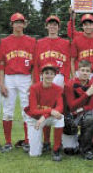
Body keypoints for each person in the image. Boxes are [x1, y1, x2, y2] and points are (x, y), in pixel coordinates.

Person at [0, 12, 36, 152]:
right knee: (7, 110)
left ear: (24, 24)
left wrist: (33, 81)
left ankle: (27, 140)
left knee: (26, 110)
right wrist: (1, 83)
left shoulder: (32, 41)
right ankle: (8, 142)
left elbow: (34, 65)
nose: (19, 25)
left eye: (21, 22)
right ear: (12, 24)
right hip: (9, 78)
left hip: (25, 78)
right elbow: (1, 64)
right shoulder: (5, 41)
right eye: (16, 22)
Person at [33, 15, 70, 152]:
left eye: (55, 24)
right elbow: (36, 64)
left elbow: (66, 63)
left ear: (59, 27)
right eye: (50, 24)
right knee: (45, 107)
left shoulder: (65, 43)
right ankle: (47, 141)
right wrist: (37, 81)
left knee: (58, 108)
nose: (53, 27)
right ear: (46, 26)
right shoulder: (40, 42)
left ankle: (57, 142)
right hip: (44, 77)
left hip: (59, 77)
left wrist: (65, 80)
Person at [24, 62, 64, 161]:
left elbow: (60, 107)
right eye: (46, 73)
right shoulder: (34, 88)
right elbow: (33, 110)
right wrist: (50, 110)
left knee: (60, 118)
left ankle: (56, 149)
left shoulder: (58, 89)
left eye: (51, 73)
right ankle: (38, 143)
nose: (49, 75)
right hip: (34, 118)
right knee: (35, 154)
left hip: (45, 117)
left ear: (55, 75)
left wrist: (45, 116)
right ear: (41, 75)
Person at [64, 60, 93, 160]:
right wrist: (87, 94)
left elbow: (90, 106)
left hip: (83, 113)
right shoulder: (69, 84)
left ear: (90, 73)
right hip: (69, 115)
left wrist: (79, 110)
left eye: (87, 70)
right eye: (82, 70)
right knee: (69, 151)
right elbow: (71, 106)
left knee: (90, 118)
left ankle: (85, 149)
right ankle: (74, 141)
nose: (85, 73)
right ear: (78, 71)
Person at [70, 14, 93, 78]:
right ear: (82, 26)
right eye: (85, 25)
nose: (88, 27)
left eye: (90, 24)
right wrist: (74, 76)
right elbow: (72, 60)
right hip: (80, 72)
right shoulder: (76, 39)